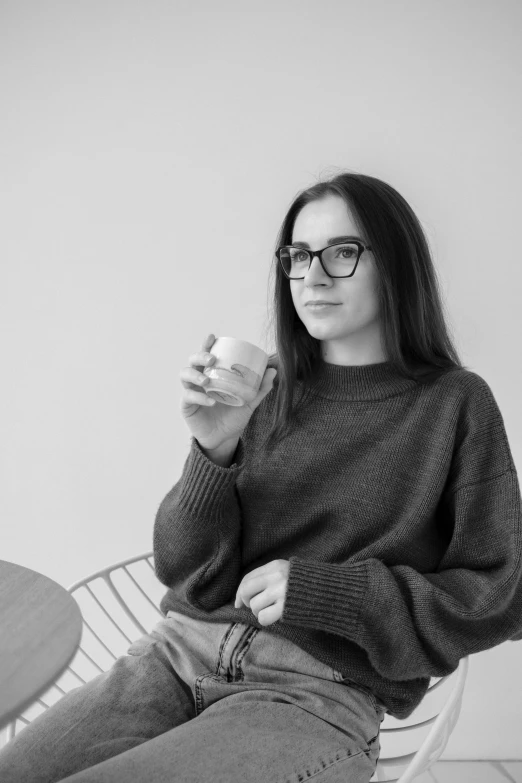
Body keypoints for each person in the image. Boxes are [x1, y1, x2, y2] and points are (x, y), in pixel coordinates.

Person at [1, 171, 521, 782]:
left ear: (398, 264)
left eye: (343, 252)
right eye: (299, 255)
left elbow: (502, 594)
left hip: (314, 697)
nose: (314, 275)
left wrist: (330, 592)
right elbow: (185, 571)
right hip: (175, 656)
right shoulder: (262, 389)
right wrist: (212, 450)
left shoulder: (453, 404)